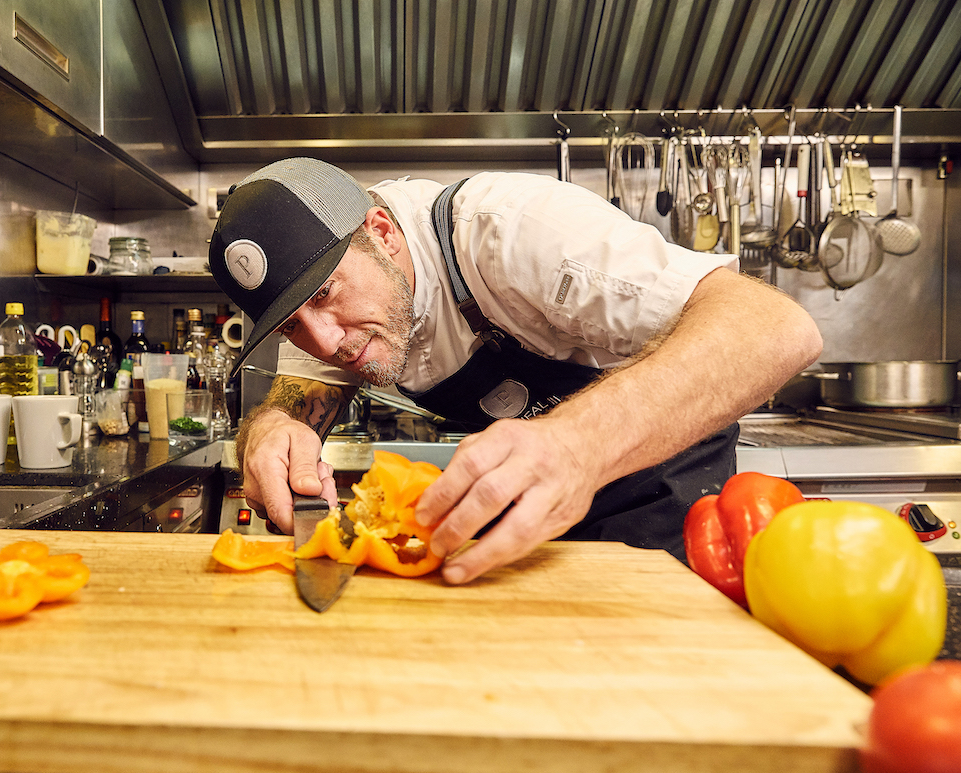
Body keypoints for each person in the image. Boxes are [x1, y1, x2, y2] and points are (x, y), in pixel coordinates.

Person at [209, 157, 822, 585]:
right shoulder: (322, 287)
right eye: (291, 326)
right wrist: (272, 427)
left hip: (655, 495)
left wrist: (577, 447)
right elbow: (305, 387)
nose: (327, 341)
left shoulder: (515, 233)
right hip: (530, 515)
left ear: (381, 231)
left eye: (326, 297)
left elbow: (775, 329)